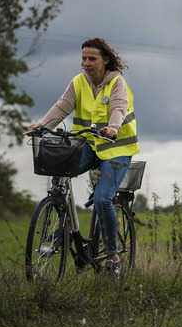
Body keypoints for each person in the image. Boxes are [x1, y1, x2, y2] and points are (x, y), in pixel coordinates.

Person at [28, 38, 139, 277]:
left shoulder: (117, 83)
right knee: (58, 172)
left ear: (105, 60)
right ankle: (63, 229)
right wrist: (43, 126)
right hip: (89, 144)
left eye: (92, 59)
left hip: (117, 148)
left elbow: (119, 108)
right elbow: (62, 107)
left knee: (102, 200)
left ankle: (112, 256)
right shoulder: (79, 82)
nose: (86, 63)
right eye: (83, 59)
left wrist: (113, 127)